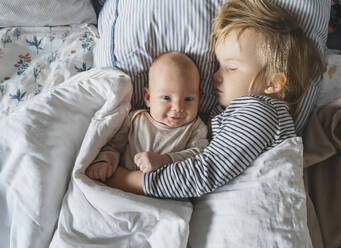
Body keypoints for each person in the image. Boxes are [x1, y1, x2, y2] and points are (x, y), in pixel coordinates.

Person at [104, 0, 326, 197]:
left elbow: (206, 172)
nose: (215, 76)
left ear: (273, 83)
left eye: (230, 68)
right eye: (219, 66)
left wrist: (125, 180)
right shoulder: (242, 113)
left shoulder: (260, 112)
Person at [86, 51, 208, 182]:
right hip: (124, 188)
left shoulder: (196, 127)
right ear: (148, 97)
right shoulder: (134, 120)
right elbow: (114, 146)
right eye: (166, 98)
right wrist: (104, 162)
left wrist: (164, 160)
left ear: (199, 99)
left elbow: (198, 155)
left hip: (167, 193)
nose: (178, 107)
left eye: (189, 99)